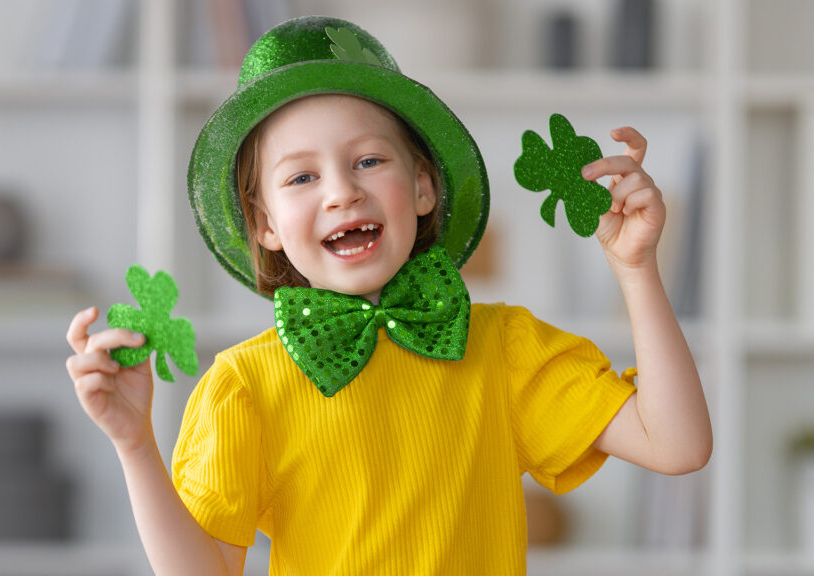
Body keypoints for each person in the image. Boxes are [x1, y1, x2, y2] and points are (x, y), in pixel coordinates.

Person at [65, 16, 712, 576]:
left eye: (369, 160)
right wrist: (135, 444)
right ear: (264, 225)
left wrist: (636, 270)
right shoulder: (244, 387)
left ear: (425, 187)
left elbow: (677, 444)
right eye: (302, 176)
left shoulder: (505, 349)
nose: (341, 191)